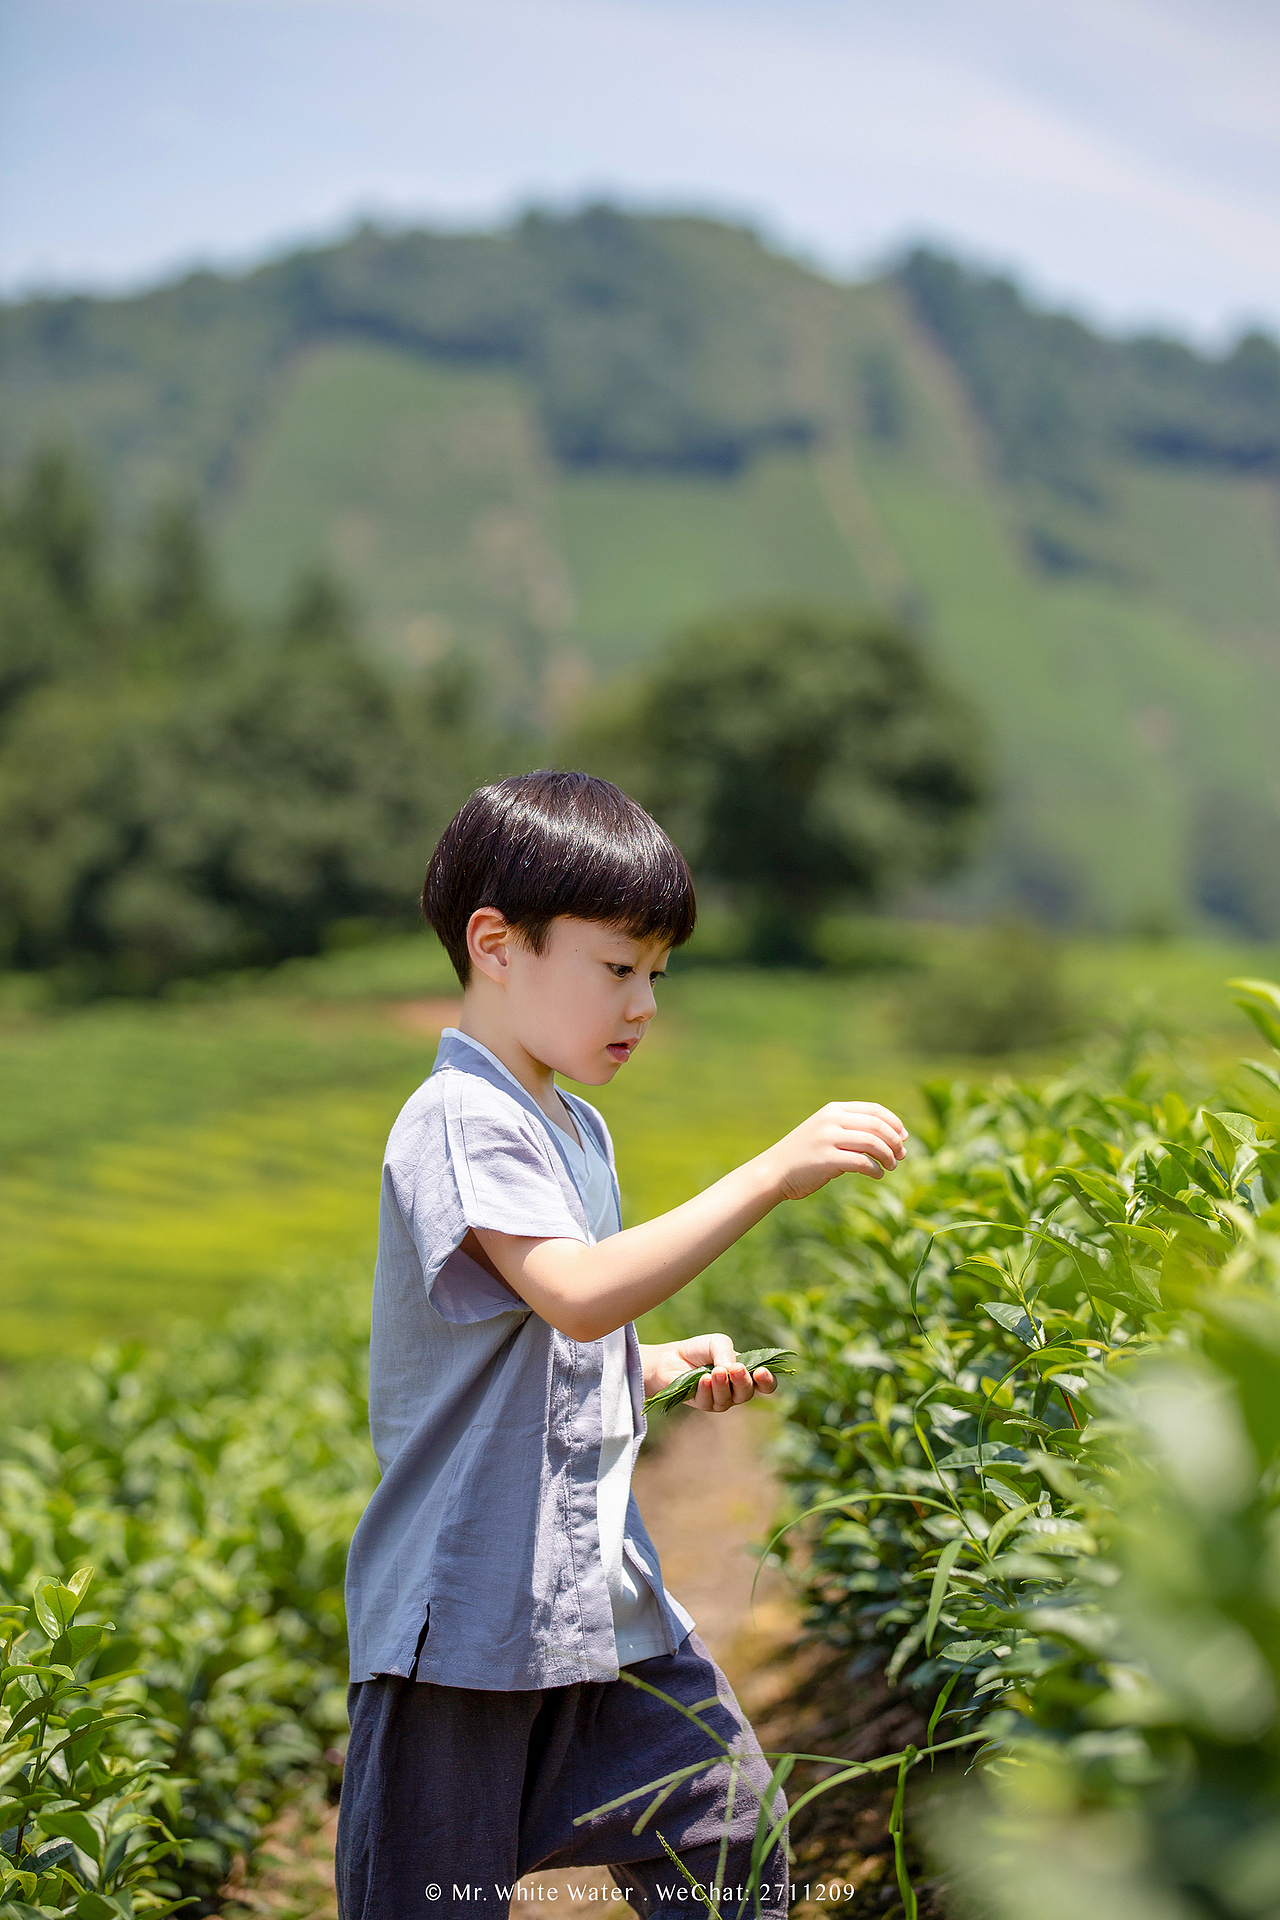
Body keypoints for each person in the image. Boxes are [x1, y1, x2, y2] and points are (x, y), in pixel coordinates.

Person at [335, 771, 908, 1920]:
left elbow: (559, 1343)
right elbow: (577, 1296)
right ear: (495, 943)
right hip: (470, 1616)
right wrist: (768, 1171)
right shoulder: (462, 1114)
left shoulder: (570, 1123)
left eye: (656, 974)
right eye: (617, 968)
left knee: (730, 1841)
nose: (643, 1004)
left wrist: (661, 1365)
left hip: (598, 1601)